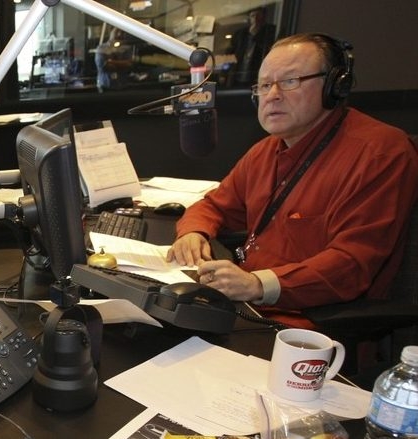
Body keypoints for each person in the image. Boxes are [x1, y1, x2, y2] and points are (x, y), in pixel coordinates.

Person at [167, 33, 418, 330]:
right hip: (246, 303)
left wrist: (256, 284)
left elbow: (351, 265)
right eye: (264, 85)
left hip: (306, 326)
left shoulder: (380, 153)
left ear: (334, 86)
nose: (272, 95)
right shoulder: (266, 150)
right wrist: (193, 233)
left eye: (290, 81)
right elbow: (214, 205)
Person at [228, 7, 277, 87]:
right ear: (249, 18)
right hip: (238, 74)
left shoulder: (270, 31)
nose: (256, 18)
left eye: (258, 15)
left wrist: (256, 35)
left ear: (263, 17)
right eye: (253, 15)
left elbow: (267, 49)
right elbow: (232, 53)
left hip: (257, 76)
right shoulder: (240, 34)